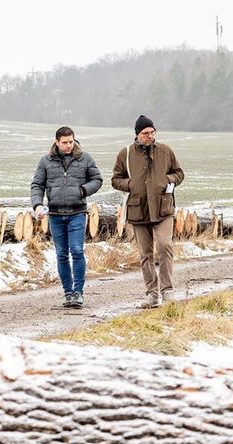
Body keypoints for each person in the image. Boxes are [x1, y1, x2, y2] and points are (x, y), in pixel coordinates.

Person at [112, 115, 184, 309]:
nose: (150, 136)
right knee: (145, 253)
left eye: (152, 132)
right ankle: (151, 293)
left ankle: (167, 290)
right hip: (138, 210)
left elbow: (179, 173)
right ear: (137, 134)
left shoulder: (165, 151)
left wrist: (168, 180)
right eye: (146, 133)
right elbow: (115, 179)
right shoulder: (125, 154)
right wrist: (130, 184)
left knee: (164, 245)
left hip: (163, 208)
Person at [30, 126, 103, 310]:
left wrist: (83, 190)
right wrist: (37, 204)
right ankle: (68, 293)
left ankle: (78, 292)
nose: (68, 145)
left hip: (77, 212)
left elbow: (97, 179)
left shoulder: (84, 158)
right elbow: (37, 184)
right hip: (54, 214)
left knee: (77, 250)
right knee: (61, 255)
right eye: (64, 143)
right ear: (57, 142)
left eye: (71, 141)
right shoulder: (46, 161)